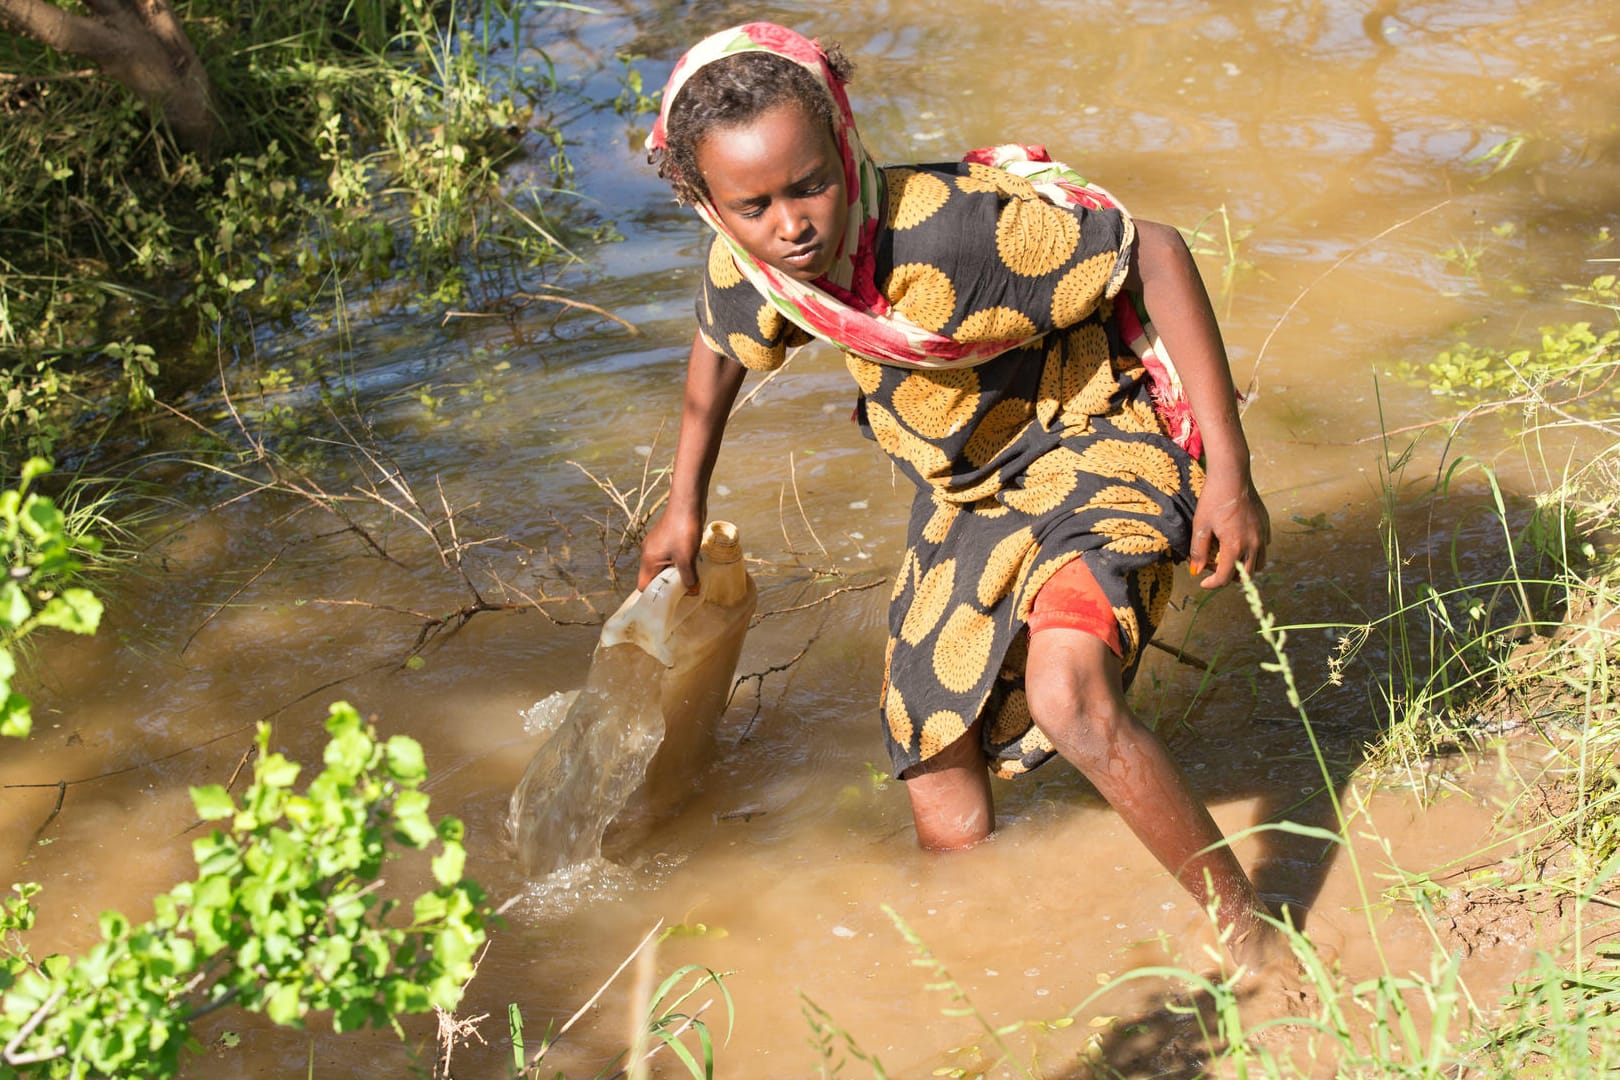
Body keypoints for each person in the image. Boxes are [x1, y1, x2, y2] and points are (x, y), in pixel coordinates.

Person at [637, 22, 1283, 972]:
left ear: (846, 148)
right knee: (931, 747)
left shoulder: (958, 229)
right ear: (707, 204)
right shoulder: (762, 263)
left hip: (1099, 436)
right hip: (973, 490)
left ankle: (1249, 931)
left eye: (811, 183)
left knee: (1068, 695)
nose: (793, 223)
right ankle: (981, 962)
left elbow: (1156, 250)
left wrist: (1230, 470)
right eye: (755, 204)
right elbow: (720, 346)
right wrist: (682, 500)